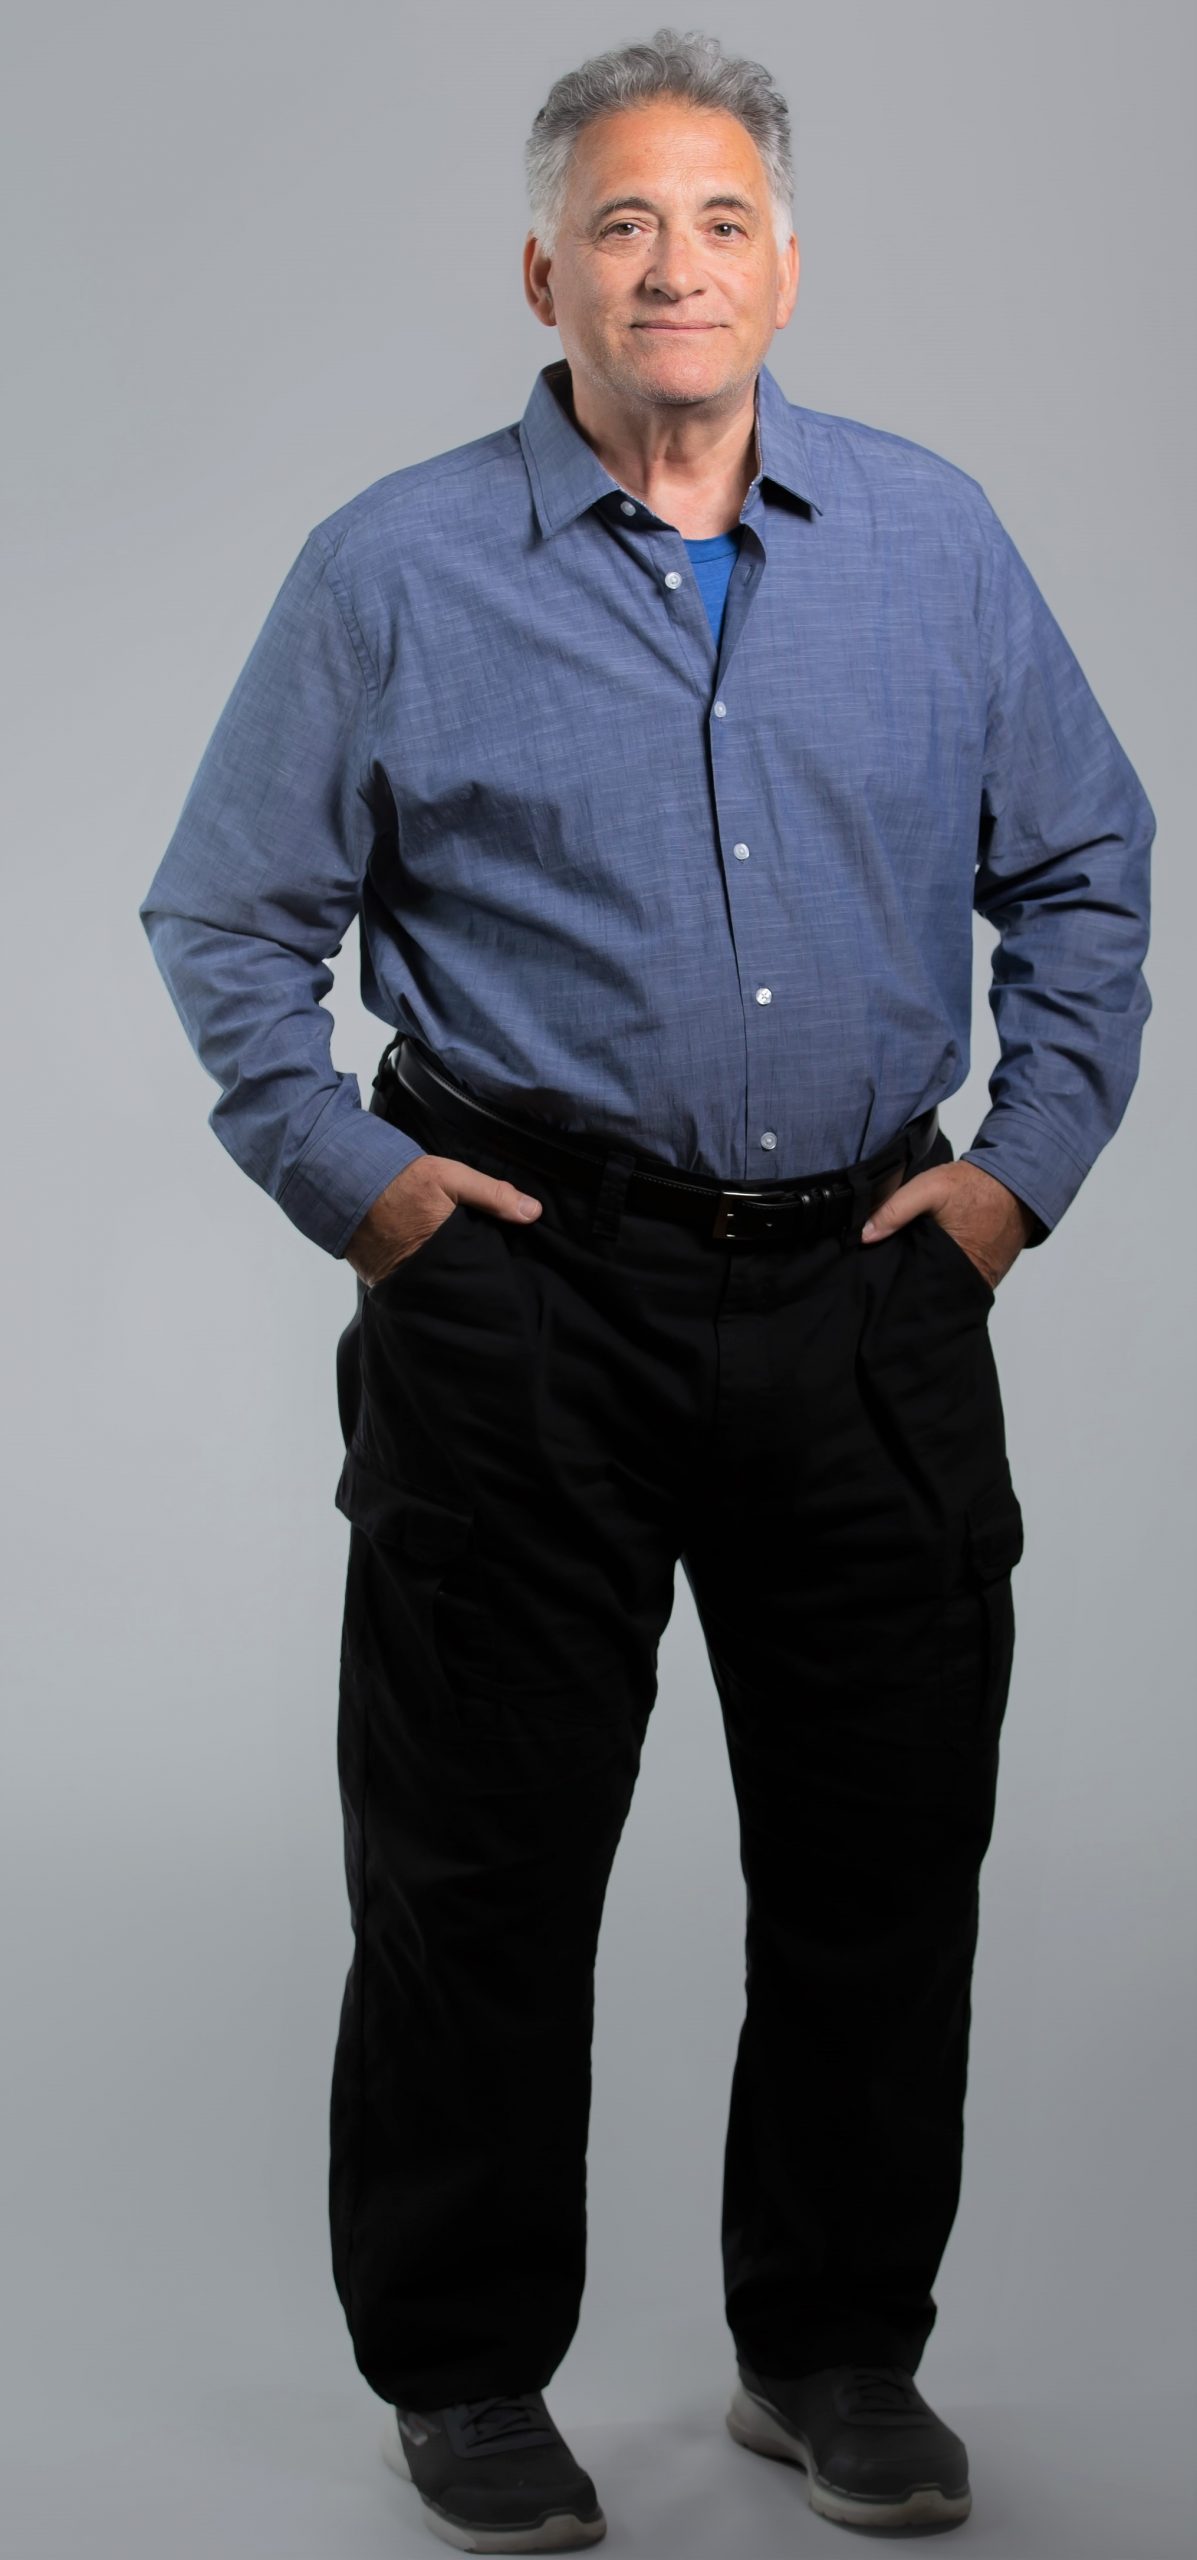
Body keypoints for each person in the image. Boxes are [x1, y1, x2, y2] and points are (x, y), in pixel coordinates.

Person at [137, 26, 1154, 2552]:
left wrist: (1018, 1175)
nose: (670, 265)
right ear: (543, 279)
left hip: (866, 1292)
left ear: (783, 268)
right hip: (525, 1296)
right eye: (619, 224)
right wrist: (360, 1187)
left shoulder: (929, 537)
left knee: (878, 1853)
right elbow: (228, 915)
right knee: (474, 1865)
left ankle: (831, 2349)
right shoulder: (394, 568)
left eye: (714, 223)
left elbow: (1084, 868)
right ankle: (465, 2371)